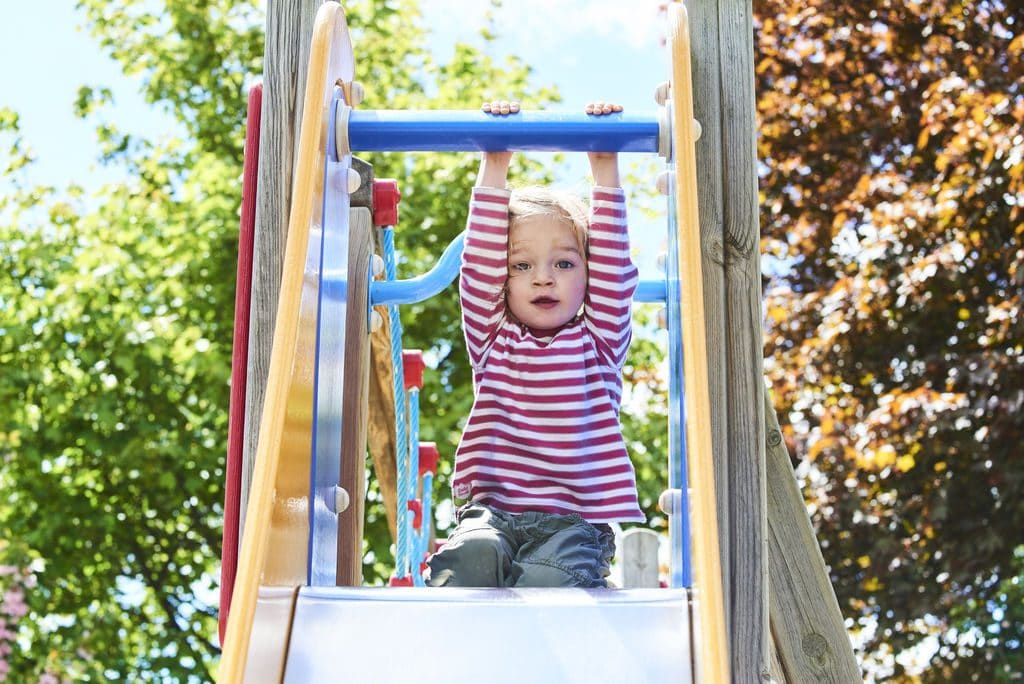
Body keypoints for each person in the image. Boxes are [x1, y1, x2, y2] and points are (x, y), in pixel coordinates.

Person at [424, 101, 645, 589]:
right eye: (521, 266)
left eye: (564, 264)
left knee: (549, 581)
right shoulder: (492, 336)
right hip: (493, 513)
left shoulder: (599, 341)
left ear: (588, 277)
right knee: (471, 558)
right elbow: (479, 263)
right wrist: (495, 159)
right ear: (503, 280)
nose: (543, 278)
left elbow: (612, 263)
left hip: (574, 520)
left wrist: (604, 163)